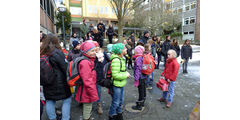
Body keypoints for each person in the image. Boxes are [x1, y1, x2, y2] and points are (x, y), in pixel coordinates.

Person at [40, 34, 72, 120]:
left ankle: (52, 118)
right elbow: (64, 67)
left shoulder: (41, 52)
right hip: (60, 82)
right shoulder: (57, 52)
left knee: (49, 101)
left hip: (47, 82)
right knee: (67, 100)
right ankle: (65, 118)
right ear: (55, 41)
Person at [75, 42, 99, 120]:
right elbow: (87, 81)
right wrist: (93, 93)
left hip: (86, 88)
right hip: (86, 89)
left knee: (88, 106)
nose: (94, 53)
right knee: (87, 106)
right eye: (92, 51)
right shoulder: (85, 62)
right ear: (85, 52)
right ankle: (86, 118)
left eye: (95, 50)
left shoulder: (89, 60)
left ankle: (87, 116)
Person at [109, 43, 131, 120]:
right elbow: (115, 75)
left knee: (120, 101)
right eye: (124, 48)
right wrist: (126, 75)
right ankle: (111, 115)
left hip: (121, 83)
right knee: (116, 102)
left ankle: (119, 113)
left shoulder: (121, 59)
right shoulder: (116, 60)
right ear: (120, 51)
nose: (126, 49)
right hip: (116, 84)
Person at [93, 41, 110, 115]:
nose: (96, 48)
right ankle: (99, 105)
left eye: (97, 46)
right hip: (96, 76)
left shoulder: (103, 53)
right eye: (94, 47)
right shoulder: (92, 56)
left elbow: (109, 61)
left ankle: (116, 104)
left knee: (111, 88)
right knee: (98, 90)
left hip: (104, 75)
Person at [132, 45, 146, 111]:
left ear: (137, 52)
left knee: (140, 90)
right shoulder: (143, 57)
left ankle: (139, 106)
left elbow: (138, 69)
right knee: (143, 89)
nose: (134, 52)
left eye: (135, 51)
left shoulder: (138, 59)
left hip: (140, 77)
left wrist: (136, 79)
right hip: (143, 76)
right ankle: (143, 102)